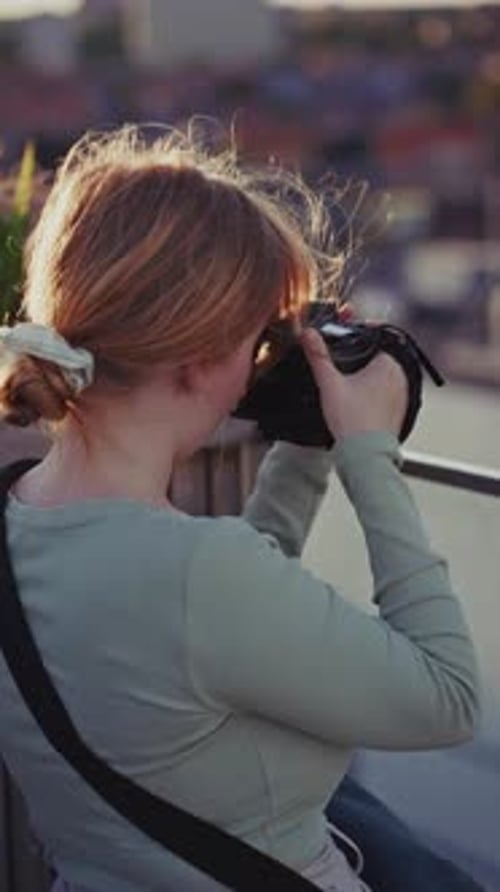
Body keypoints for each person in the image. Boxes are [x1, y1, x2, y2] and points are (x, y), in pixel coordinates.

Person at [0, 125, 481, 892]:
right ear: (198, 361)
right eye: (259, 340)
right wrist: (369, 455)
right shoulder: (197, 576)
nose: (264, 361)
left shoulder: (25, 519)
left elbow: (214, 633)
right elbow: (450, 701)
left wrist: (307, 444)